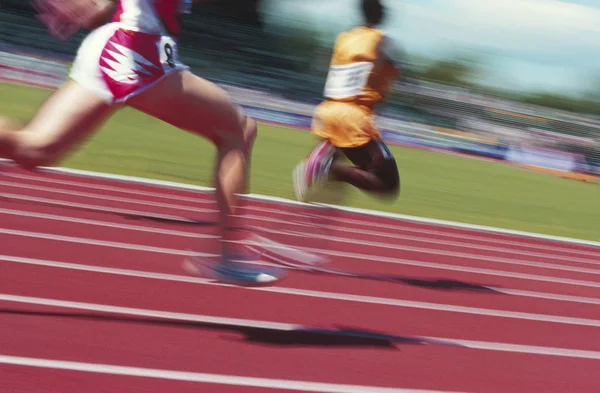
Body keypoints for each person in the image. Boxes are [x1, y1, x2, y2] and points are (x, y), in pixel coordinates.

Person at [0, 0, 284, 285]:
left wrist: (90, 6)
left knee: (35, 149)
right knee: (238, 129)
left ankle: (224, 255)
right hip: (136, 49)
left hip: (114, 45)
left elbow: (99, 12)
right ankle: (224, 255)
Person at [293, 0, 401, 203]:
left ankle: (327, 157)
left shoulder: (344, 38)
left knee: (352, 155)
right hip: (354, 117)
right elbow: (391, 70)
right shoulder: (381, 41)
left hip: (329, 110)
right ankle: (325, 168)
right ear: (380, 14)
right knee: (387, 183)